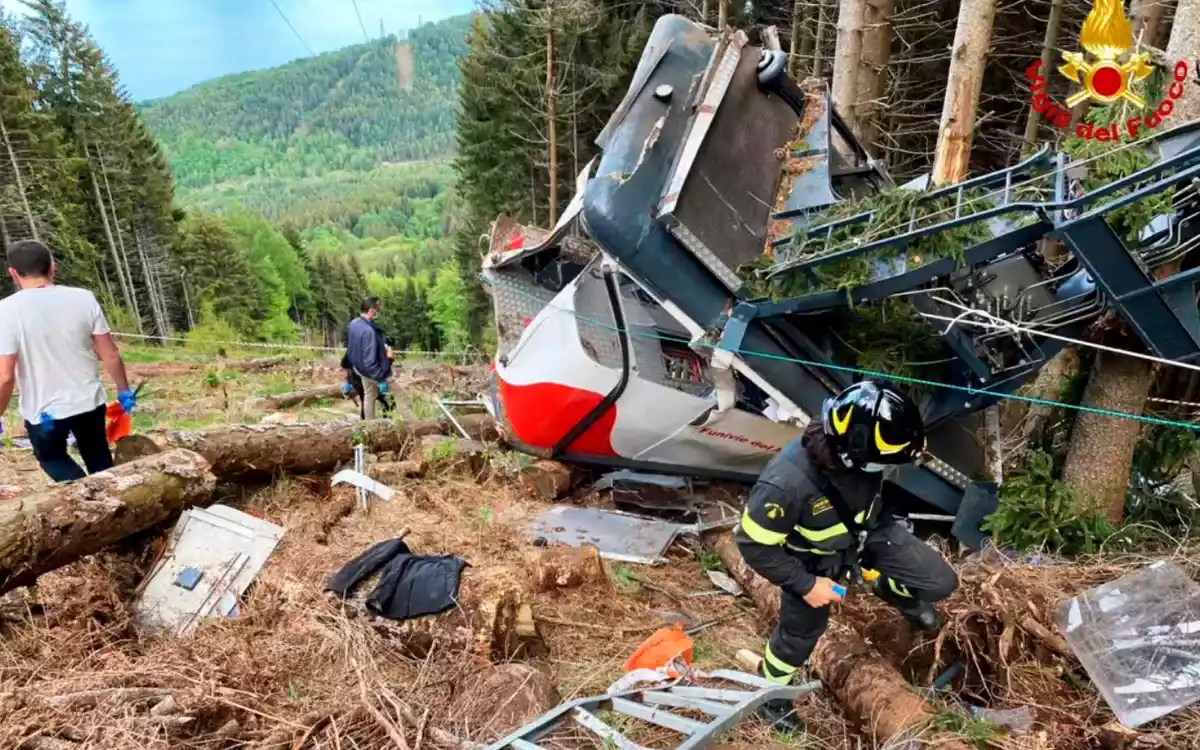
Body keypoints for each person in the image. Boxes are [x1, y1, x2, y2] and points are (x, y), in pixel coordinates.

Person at [736, 380, 959, 731]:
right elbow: (752, 544)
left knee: (940, 581)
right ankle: (771, 693)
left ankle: (886, 587)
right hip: (811, 562)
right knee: (799, 636)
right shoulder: (785, 486)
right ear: (851, 452)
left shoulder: (862, 448)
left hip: (867, 533)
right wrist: (806, 584)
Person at [0, 240, 136, 482]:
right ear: (52, 267)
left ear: (13, 273)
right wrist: (124, 390)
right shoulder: (83, 298)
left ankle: (85, 496)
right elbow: (110, 354)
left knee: (52, 458)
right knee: (98, 456)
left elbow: (6, 377)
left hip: (44, 412)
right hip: (89, 402)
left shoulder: (7, 311)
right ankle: (109, 496)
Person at [345, 295, 393, 420]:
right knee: (400, 396)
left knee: (369, 396)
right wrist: (381, 379)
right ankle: (410, 427)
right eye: (377, 310)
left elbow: (352, 350)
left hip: (359, 370)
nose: (378, 313)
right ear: (371, 311)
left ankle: (369, 427)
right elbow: (370, 361)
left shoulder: (354, 323)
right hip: (372, 372)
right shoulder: (368, 331)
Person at [340, 349, 394, 419]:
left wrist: (348, 381)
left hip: (357, 378)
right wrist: (390, 359)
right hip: (371, 378)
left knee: (366, 401)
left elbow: (344, 364)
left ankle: (366, 422)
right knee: (387, 400)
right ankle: (386, 421)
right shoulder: (373, 344)